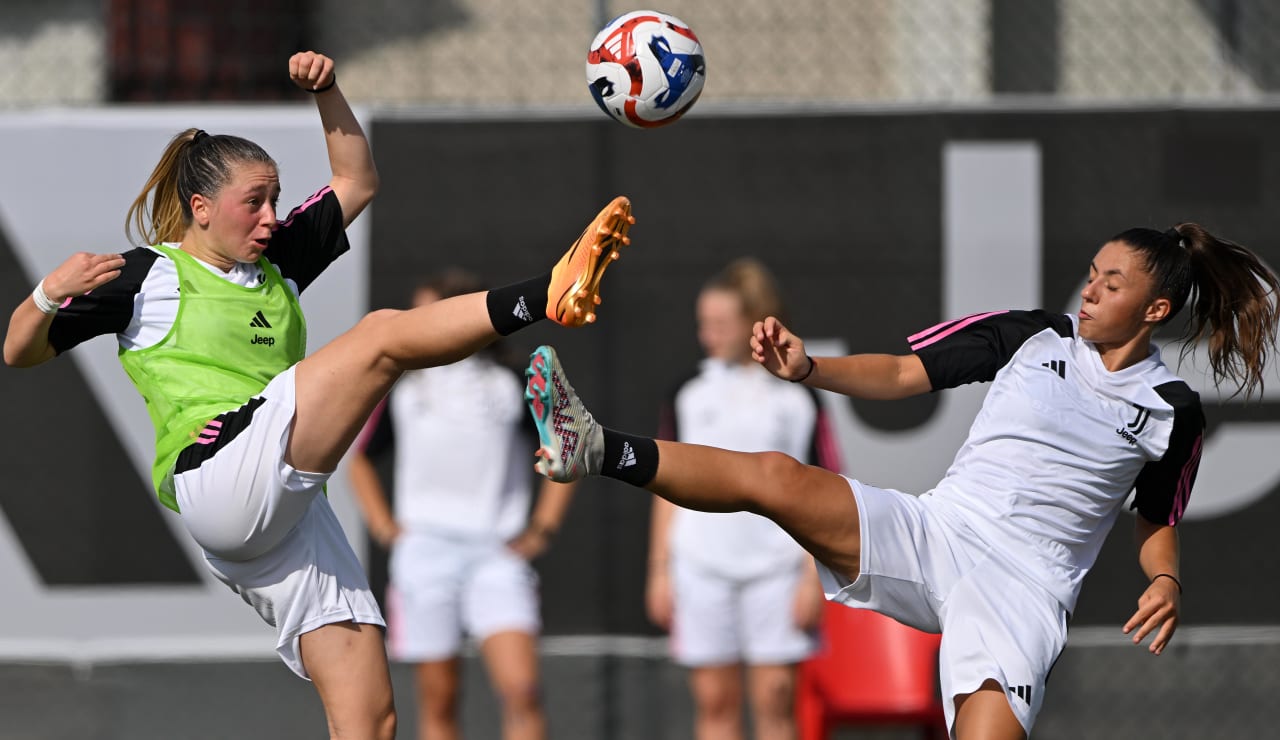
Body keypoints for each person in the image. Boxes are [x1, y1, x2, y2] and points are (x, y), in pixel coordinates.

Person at [2, 50, 635, 740]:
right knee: (382, 339)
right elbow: (19, 351)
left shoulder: (274, 262)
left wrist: (329, 90)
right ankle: (547, 292)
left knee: (371, 717)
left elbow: (357, 180)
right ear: (200, 208)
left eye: (275, 198)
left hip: (287, 511)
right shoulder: (147, 274)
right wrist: (46, 295)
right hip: (219, 474)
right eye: (255, 202)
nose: (272, 216)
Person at [522, 224, 1279, 740]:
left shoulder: (1171, 410)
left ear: (1155, 309)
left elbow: (1157, 519)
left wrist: (1166, 581)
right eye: (1091, 274)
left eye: (1112, 285)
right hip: (936, 531)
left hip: (1021, 594)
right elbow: (900, 372)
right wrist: (808, 368)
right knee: (777, 478)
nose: (1090, 291)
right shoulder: (1033, 335)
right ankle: (590, 445)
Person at [348, 269, 577, 740]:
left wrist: (542, 530)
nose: (417, 322)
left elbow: (567, 452)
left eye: (429, 312)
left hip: (497, 556)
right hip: (425, 558)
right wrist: (387, 528)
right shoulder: (404, 387)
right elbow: (359, 461)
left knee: (523, 691)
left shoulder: (511, 384)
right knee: (440, 699)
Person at [646, 258, 837, 740]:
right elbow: (665, 487)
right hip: (700, 570)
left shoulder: (799, 396)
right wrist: (660, 570)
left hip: (777, 573)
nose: (707, 333)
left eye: (720, 324)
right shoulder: (687, 393)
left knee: (775, 702)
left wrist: (812, 578)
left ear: (753, 323)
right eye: (703, 323)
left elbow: (825, 489)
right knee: (714, 704)